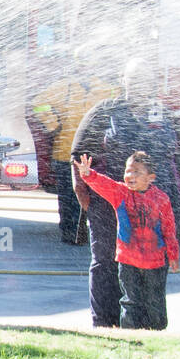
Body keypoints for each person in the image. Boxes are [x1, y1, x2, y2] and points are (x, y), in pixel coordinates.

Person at [70, 59, 180, 327]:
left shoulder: (163, 115)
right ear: (124, 81)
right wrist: (81, 190)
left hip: (153, 209)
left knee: (151, 266)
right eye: (134, 79)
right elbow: (79, 153)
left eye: (146, 79)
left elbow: (179, 157)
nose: (140, 85)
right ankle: (105, 323)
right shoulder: (105, 112)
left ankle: (146, 324)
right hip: (111, 204)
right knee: (105, 262)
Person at [75, 150, 179, 330]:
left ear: (151, 177)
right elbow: (103, 184)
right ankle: (130, 333)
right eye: (128, 171)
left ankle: (157, 332)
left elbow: (169, 229)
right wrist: (88, 174)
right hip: (128, 260)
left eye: (136, 172)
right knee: (131, 301)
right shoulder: (121, 193)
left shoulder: (161, 199)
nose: (130, 175)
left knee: (155, 301)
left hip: (155, 262)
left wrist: (173, 255)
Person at [30, 73, 118, 245]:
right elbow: (37, 104)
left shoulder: (105, 89)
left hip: (90, 154)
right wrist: (53, 124)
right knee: (67, 196)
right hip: (66, 152)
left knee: (89, 195)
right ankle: (71, 231)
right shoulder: (64, 87)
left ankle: (82, 231)